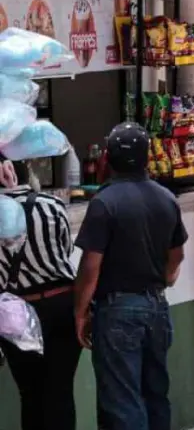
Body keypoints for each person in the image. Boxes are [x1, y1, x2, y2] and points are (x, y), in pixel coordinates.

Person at [73, 122, 187, 430]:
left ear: (106, 157)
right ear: (147, 157)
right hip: (157, 307)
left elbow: (91, 266)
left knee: (123, 401)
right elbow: (177, 255)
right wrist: (159, 283)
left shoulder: (104, 203)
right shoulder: (166, 198)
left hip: (118, 311)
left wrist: (80, 312)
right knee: (155, 394)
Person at [0, 158, 81, 430]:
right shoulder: (51, 204)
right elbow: (65, 250)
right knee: (60, 391)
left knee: (30, 394)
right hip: (61, 304)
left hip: (15, 314)